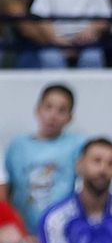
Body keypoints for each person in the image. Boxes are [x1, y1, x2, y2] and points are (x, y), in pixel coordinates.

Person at [4, 83, 84, 230]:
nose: (53, 115)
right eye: (48, 107)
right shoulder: (17, 146)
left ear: (70, 117)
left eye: (61, 110)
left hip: (61, 231)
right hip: (23, 231)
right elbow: (6, 192)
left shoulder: (77, 145)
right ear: (38, 109)